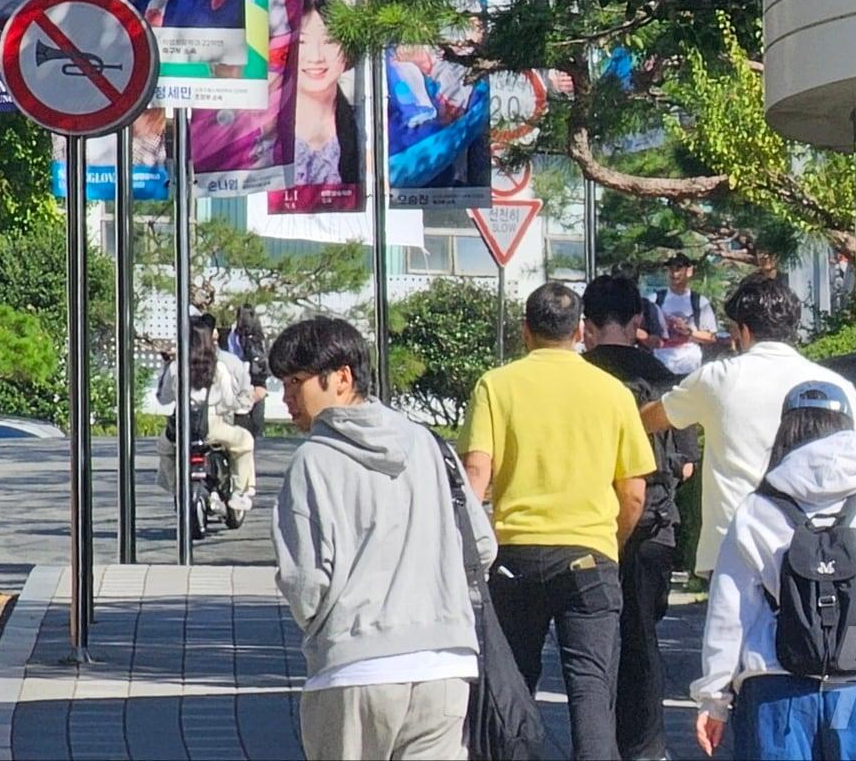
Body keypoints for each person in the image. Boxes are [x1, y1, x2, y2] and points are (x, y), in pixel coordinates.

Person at [270, 317, 496, 761]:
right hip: (444, 665)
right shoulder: (431, 446)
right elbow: (481, 547)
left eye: (296, 381)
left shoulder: (313, 462)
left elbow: (306, 584)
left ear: (341, 378)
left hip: (354, 667)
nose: (287, 396)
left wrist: (323, 624)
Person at [458, 282, 656, 760]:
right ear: (580, 331)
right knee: (592, 693)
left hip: (515, 558)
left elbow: (476, 475)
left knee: (512, 689)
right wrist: (611, 543)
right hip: (589, 556)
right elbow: (633, 492)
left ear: (525, 330)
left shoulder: (496, 385)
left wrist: (466, 547)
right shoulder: (612, 392)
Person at [692, 383, 856, 760]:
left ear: (786, 432)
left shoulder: (757, 508)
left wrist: (713, 699)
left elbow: (729, 614)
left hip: (776, 690)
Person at [643, 275, 856, 577]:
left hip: (737, 550)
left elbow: (650, 419)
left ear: (743, 330)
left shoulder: (719, 378)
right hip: (820, 553)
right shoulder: (835, 384)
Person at [582, 275, 701, 761]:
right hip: (654, 525)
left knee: (589, 645)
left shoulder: (580, 378)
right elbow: (688, 462)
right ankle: (647, 747)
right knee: (643, 639)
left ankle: (597, 744)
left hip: (590, 525)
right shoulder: (665, 377)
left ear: (585, 326)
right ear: (637, 322)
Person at [156, 315, 256, 510]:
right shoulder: (218, 368)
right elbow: (228, 402)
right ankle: (239, 492)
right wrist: (239, 407)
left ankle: (176, 487)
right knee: (245, 441)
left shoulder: (176, 367)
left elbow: (164, 398)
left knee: (164, 449)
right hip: (212, 425)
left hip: (181, 429)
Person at [293, 0, 360, 187]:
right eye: (301, 42)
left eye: (329, 41)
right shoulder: (265, 131)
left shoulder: (363, 124)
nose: (316, 56)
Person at [651, 252, 720, 376]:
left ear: (689, 271)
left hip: (690, 367)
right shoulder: (654, 299)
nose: (674, 273)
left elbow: (711, 338)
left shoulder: (700, 302)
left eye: (678, 268)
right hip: (659, 364)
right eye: (670, 269)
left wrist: (689, 332)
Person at [227, 304, 270, 437]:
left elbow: (232, 353)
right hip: (258, 379)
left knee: (241, 417)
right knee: (257, 419)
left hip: (241, 378)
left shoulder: (235, 334)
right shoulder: (260, 334)